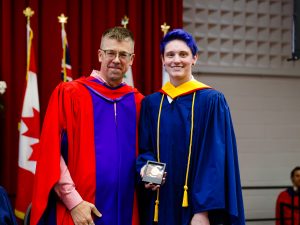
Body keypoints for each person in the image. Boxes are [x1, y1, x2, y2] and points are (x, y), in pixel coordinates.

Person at [31, 27, 143, 225]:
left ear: (132, 59)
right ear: (100, 55)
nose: (116, 59)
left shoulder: (138, 102)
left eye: (123, 54)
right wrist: (74, 202)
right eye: (110, 53)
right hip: (81, 214)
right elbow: (50, 152)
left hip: (127, 214)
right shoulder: (70, 94)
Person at [136, 29, 245, 225]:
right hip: (160, 204)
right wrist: (145, 168)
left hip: (196, 209)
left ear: (194, 58)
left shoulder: (211, 100)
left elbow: (214, 160)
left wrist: (203, 211)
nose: (176, 60)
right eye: (170, 55)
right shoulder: (151, 104)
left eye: (183, 54)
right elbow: (145, 149)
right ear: (162, 60)